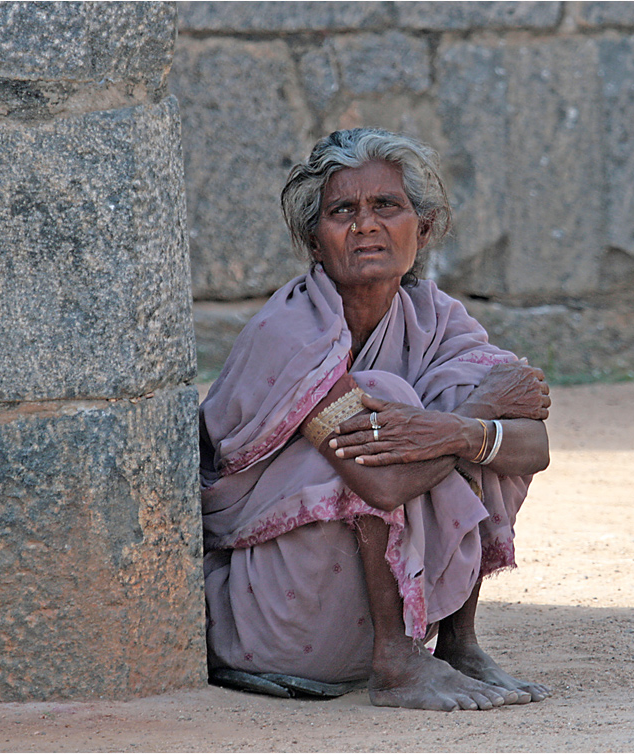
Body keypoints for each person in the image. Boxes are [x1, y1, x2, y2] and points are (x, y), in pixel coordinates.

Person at [199, 128, 552, 711]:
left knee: (457, 395)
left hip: (373, 605)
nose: (366, 225)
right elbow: (381, 482)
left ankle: (456, 646)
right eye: (343, 211)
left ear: (425, 227)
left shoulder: (434, 316)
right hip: (279, 619)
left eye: (386, 206)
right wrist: (476, 417)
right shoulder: (293, 332)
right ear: (316, 242)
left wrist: (461, 423)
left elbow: (532, 446)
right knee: (397, 400)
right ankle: (395, 662)